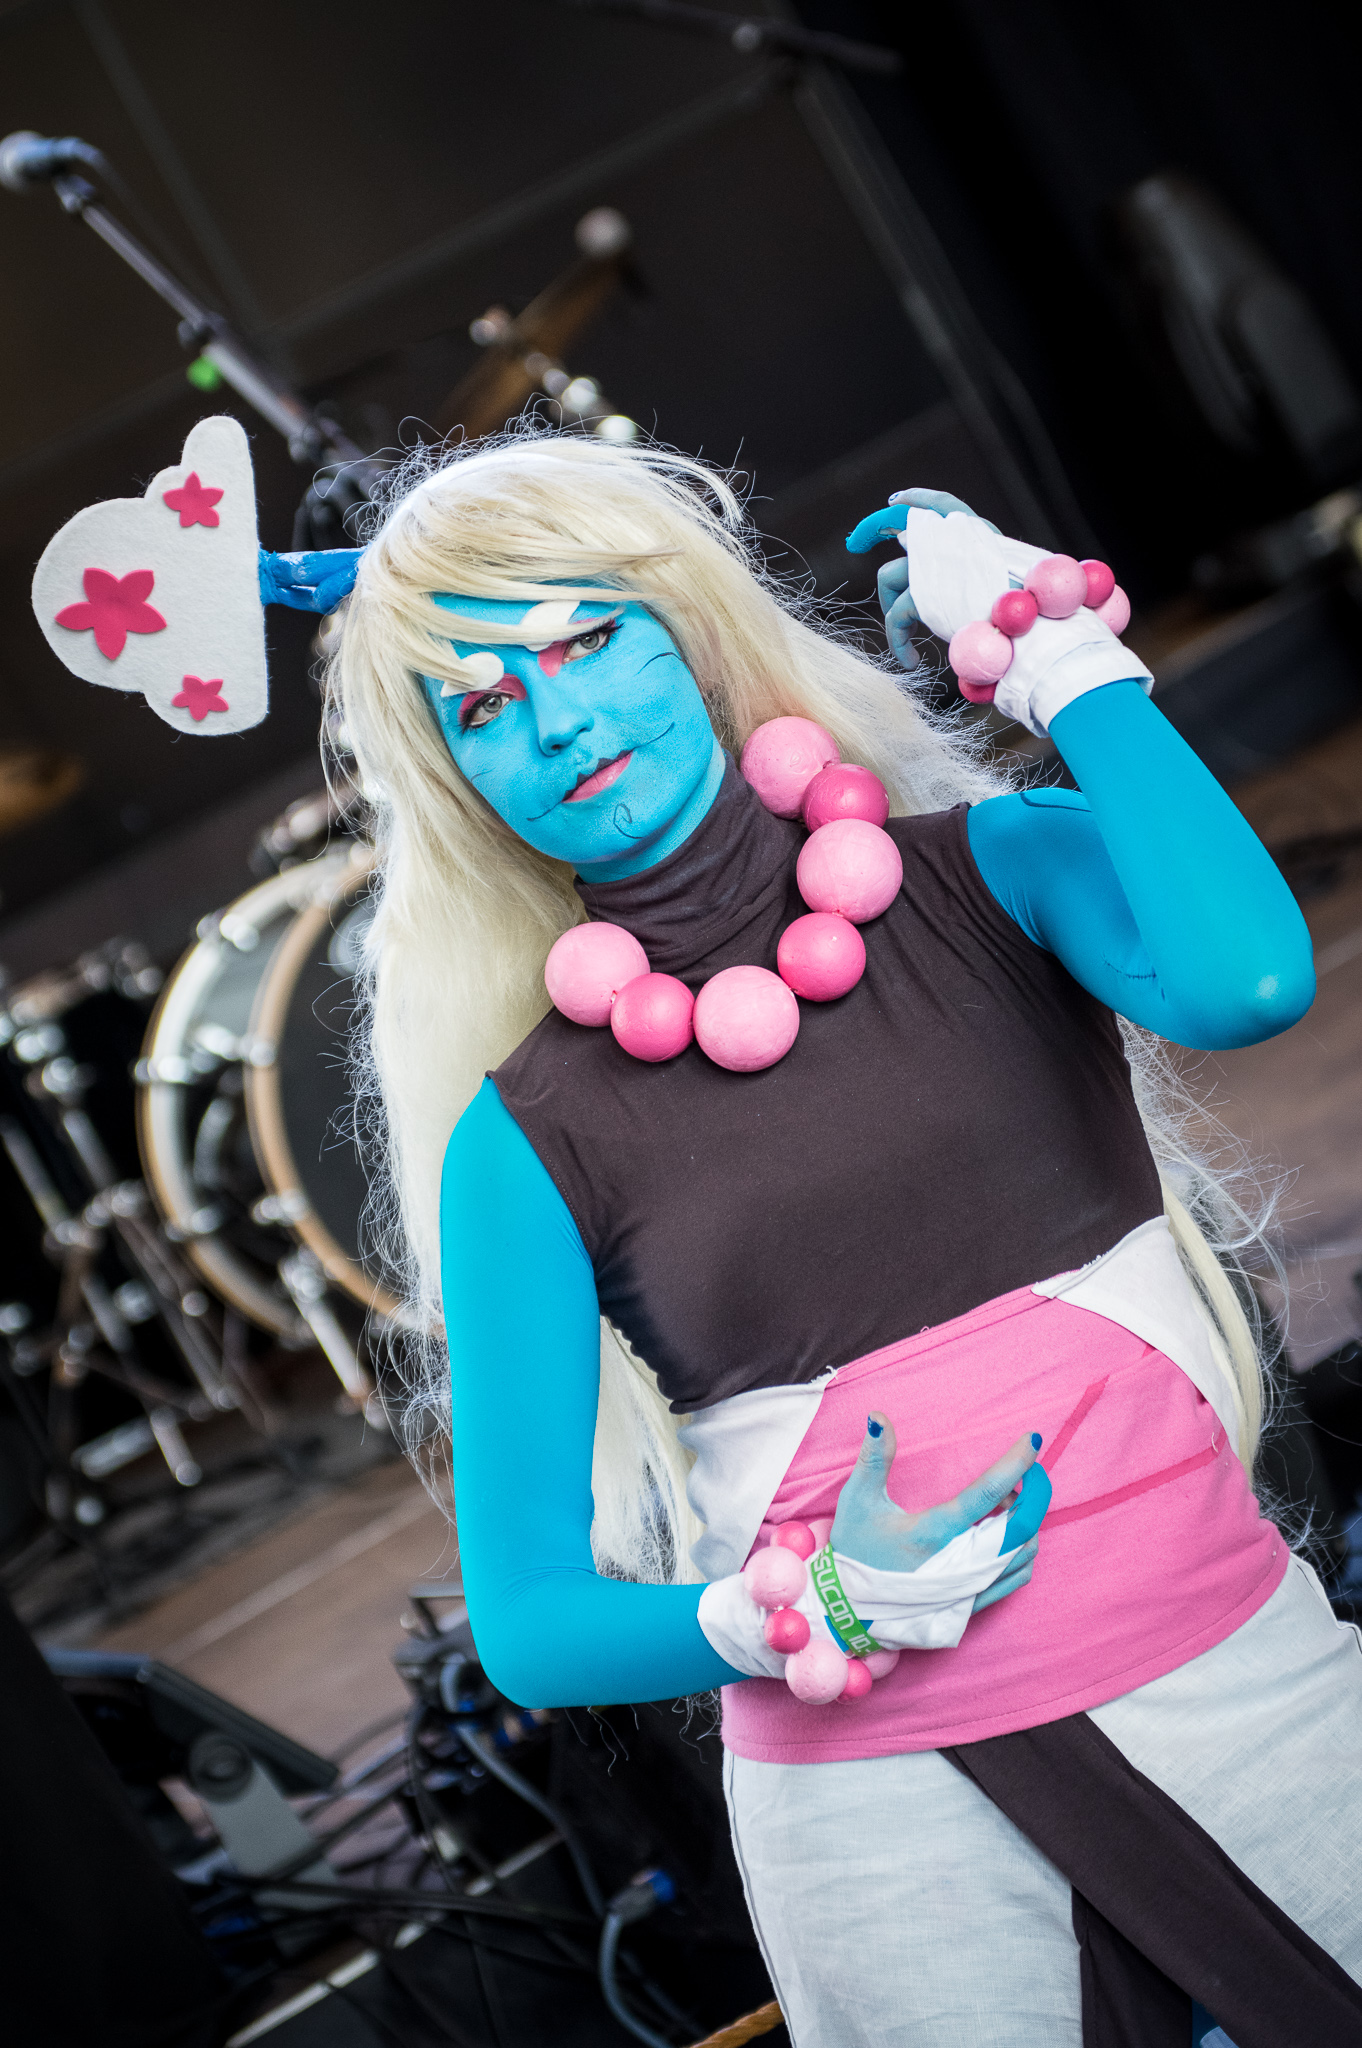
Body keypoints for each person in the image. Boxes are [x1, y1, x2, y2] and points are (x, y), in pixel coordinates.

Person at [309, 432, 1362, 2047]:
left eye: (587, 641)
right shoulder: (519, 1143)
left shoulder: (994, 873)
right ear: (455, 776)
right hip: (883, 1825)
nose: (560, 720)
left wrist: (1065, 661)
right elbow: (526, 1622)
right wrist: (781, 1611)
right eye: (483, 702)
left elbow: (1249, 983)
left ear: (690, 626)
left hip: (1234, 1676)